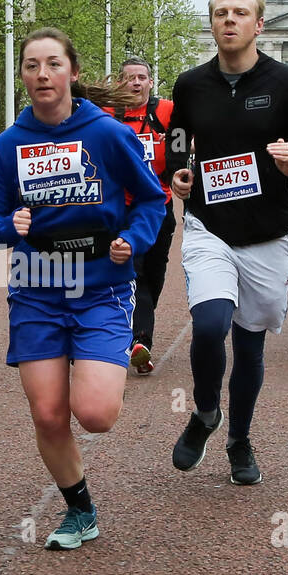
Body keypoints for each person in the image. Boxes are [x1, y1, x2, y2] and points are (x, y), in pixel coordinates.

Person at [0, 26, 165, 550]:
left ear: (72, 73)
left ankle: (111, 349)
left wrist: (132, 238)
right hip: (37, 288)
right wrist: (7, 226)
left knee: (96, 415)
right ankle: (79, 510)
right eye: (32, 66)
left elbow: (151, 200)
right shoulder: (7, 147)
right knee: (49, 413)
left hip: (101, 286)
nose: (42, 74)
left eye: (53, 64)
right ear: (23, 77)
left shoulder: (106, 134)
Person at [166, 0, 288, 485]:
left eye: (239, 13)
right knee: (211, 324)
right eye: (220, 13)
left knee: (251, 346)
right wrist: (177, 171)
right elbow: (175, 144)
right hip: (210, 226)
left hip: (267, 234)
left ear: (259, 24)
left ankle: (239, 438)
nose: (229, 20)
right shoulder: (190, 85)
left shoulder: (286, 84)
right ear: (212, 23)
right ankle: (206, 413)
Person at [106, 55, 176, 375]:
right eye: (130, 78)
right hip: (123, 208)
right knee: (134, 273)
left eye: (141, 77)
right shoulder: (108, 115)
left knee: (154, 276)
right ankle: (138, 340)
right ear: (121, 83)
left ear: (151, 82)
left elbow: (189, 140)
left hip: (160, 205)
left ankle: (139, 337)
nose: (136, 82)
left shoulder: (167, 112)